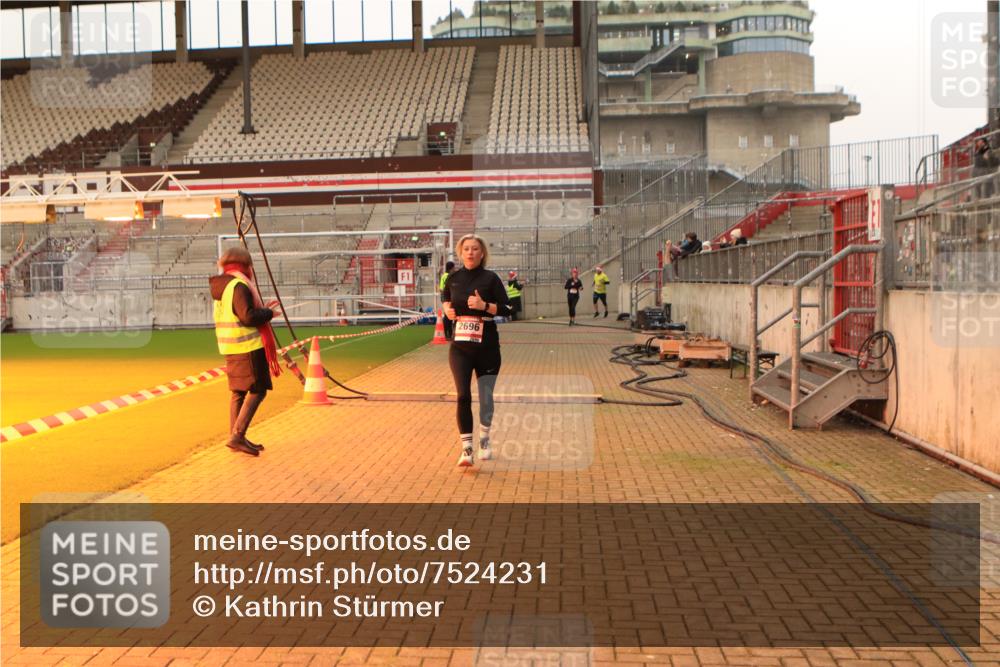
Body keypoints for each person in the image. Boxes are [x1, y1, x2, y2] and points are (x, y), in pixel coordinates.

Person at [441, 234, 512, 467]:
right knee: (462, 395)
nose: (470, 253)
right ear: (461, 253)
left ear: (482, 253)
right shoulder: (453, 278)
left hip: (487, 346)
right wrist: (447, 310)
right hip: (460, 347)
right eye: (466, 249)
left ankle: (484, 439)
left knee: (485, 397)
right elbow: (446, 297)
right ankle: (467, 448)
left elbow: (509, 307)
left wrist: (485, 306)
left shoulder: (490, 279)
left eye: (475, 249)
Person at [210, 247, 282, 457]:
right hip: (247, 347)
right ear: (245, 265)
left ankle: (236, 436)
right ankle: (237, 436)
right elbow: (248, 317)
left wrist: (263, 311)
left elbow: (239, 313)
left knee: (238, 392)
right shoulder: (239, 285)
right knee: (258, 390)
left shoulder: (222, 286)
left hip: (230, 346)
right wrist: (268, 313)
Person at [438, 261, 455, 339]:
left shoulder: (443, 275)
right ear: (451, 268)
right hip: (449, 296)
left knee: (447, 314)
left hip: (443, 296)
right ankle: (448, 333)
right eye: (453, 268)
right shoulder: (450, 276)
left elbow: (441, 288)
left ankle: (447, 333)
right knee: (449, 315)